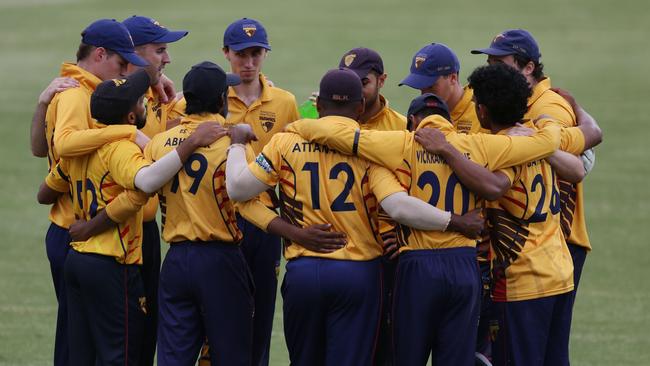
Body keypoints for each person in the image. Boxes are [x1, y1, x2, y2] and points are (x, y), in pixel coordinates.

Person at [225, 68, 484, 366]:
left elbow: (239, 191)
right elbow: (398, 205)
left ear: (318, 104)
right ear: (360, 107)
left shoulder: (287, 141)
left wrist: (236, 145)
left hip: (304, 271)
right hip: (359, 276)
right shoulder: (372, 150)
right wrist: (454, 221)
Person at [146, 61, 344, 366]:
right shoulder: (230, 144)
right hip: (220, 261)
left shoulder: (159, 144)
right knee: (234, 354)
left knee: (174, 357)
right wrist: (295, 233)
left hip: (174, 261)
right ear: (221, 101)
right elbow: (249, 204)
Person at [36, 69, 226, 365]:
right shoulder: (122, 150)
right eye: (141, 101)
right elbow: (145, 184)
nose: (145, 104)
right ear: (130, 118)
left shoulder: (78, 151)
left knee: (81, 356)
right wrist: (188, 146)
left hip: (77, 262)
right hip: (111, 264)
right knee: (121, 356)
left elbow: (44, 194)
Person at [167, 17, 300, 366]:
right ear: (226, 53)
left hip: (263, 221)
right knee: (219, 320)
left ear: (265, 55)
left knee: (258, 315)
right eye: (241, 54)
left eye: (256, 54)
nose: (249, 62)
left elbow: (291, 162)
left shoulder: (284, 102)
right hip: (216, 221)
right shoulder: (202, 97)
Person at [472, 29, 603, 356]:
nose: (492, 66)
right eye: (488, 61)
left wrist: (532, 145)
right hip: (542, 252)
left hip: (543, 248)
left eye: (499, 61)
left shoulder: (548, 109)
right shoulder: (519, 112)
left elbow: (575, 170)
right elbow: (590, 136)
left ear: (528, 67)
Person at [29, 18, 150, 366]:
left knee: (84, 341)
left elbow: (41, 150)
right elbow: (64, 146)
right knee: (82, 344)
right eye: (121, 63)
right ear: (99, 54)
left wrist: (41, 106)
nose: (124, 71)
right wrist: (123, 133)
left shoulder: (82, 91)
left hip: (81, 229)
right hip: (78, 230)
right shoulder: (76, 94)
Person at [122, 15, 188, 365]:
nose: (168, 58)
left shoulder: (155, 95)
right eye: (160, 50)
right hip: (113, 236)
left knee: (146, 338)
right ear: (132, 53)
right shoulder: (107, 101)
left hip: (146, 232)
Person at [338, 46, 406, 365]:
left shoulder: (403, 127)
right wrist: (312, 113)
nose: (354, 91)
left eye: (362, 82)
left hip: (384, 255)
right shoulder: (326, 116)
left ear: (382, 81)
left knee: (385, 348)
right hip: (337, 253)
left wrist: (403, 233)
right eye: (347, 81)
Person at [400, 43, 485, 134]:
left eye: (431, 86)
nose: (425, 95)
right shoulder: (422, 113)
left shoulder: (483, 110)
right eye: (420, 87)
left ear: (453, 78)